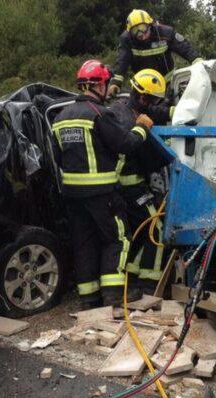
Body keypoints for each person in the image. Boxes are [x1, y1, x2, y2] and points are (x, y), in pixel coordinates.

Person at [52, 59, 154, 309]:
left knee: (84, 243)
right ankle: (114, 294)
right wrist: (141, 127)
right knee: (118, 239)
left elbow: (57, 156)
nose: (109, 89)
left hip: (73, 196)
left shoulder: (61, 118)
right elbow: (126, 144)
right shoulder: (100, 114)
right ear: (99, 84)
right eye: (107, 84)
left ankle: (89, 298)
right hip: (102, 193)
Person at [111, 69, 172, 295]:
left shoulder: (126, 109)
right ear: (143, 97)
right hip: (128, 185)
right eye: (153, 100)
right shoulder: (126, 118)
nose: (154, 106)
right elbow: (135, 151)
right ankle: (149, 283)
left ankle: (133, 276)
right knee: (155, 225)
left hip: (127, 186)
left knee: (138, 231)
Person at [108, 9, 200, 99]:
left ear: (150, 25)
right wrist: (116, 83)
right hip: (143, 86)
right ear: (130, 31)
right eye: (135, 30)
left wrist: (198, 62)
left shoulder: (166, 33)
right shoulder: (127, 39)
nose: (140, 34)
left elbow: (185, 48)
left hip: (167, 83)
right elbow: (122, 61)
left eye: (142, 28)